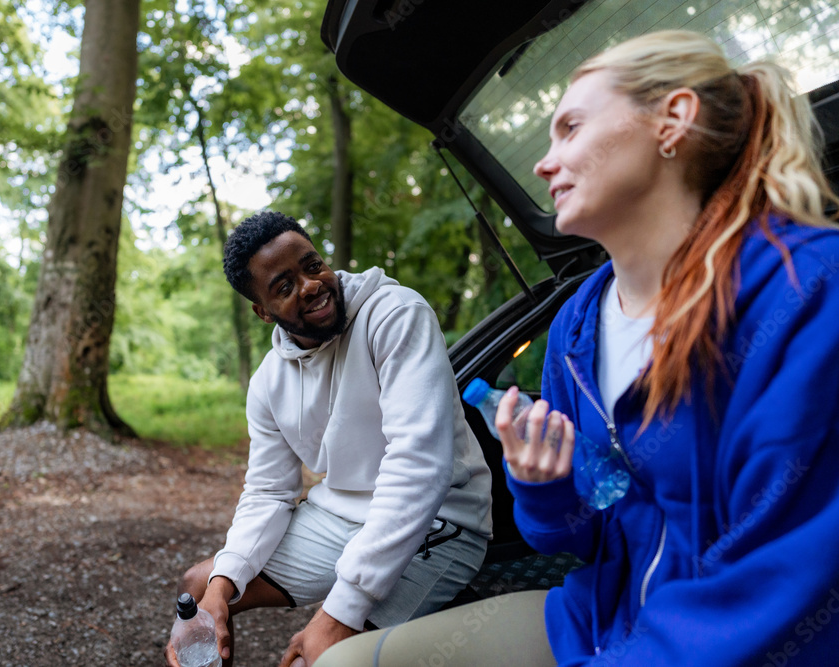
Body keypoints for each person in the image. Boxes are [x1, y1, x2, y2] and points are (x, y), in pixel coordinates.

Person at [315, 29, 839, 666]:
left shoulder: (806, 292)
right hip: (599, 615)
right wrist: (543, 484)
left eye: (570, 128)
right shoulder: (576, 327)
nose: (542, 162)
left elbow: (784, 582)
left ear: (672, 120)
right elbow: (582, 537)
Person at [164, 211, 493, 667]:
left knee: (316, 661)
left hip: (440, 519)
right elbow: (267, 492)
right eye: (284, 286)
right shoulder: (267, 383)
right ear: (263, 312)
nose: (311, 285)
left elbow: (419, 465)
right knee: (200, 588)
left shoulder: (396, 315)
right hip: (339, 515)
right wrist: (222, 586)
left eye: (312, 265)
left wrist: (339, 612)